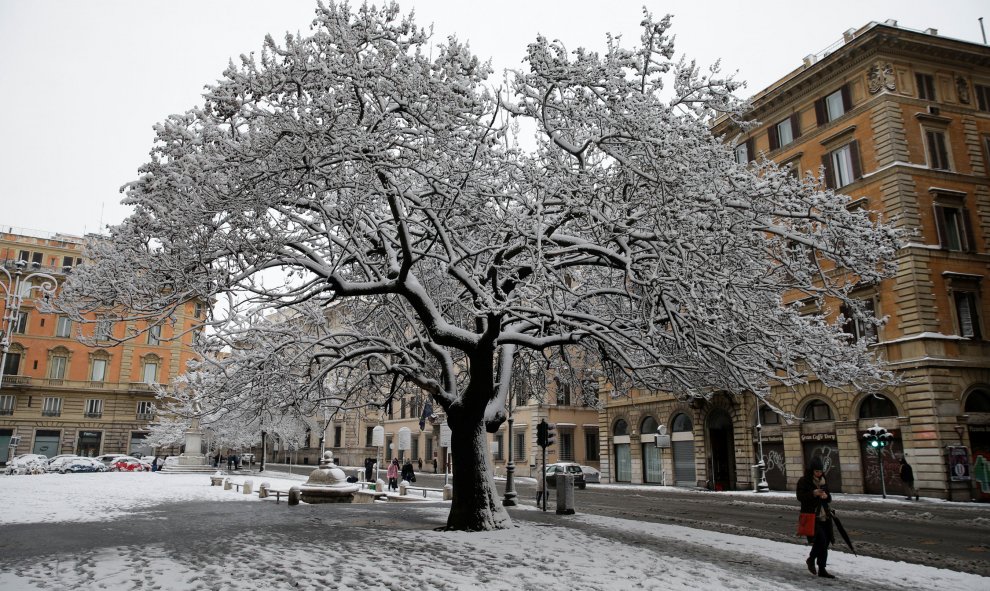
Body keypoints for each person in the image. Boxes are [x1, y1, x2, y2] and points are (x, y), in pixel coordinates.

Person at [796, 456, 836, 579]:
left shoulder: (823, 481)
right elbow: (800, 497)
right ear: (811, 471)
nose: (819, 474)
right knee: (821, 540)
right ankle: (811, 559)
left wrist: (826, 496)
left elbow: (829, 498)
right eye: (817, 471)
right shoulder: (804, 481)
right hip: (811, 516)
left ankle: (822, 568)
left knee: (825, 542)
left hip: (825, 515)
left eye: (820, 471)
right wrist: (813, 493)